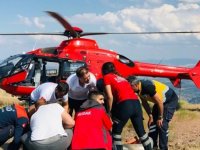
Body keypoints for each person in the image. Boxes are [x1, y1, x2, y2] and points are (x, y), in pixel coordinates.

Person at [102, 62, 153, 150]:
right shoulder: (122, 78)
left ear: (104, 71)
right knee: (141, 133)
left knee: (116, 132)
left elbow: (110, 97)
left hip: (125, 104)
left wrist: (109, 112)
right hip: (136, 103)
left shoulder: (107, 77)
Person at [127, 76, 178, 150]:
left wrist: (160, 117)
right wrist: (150, 116)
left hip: (169, 101)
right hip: (159, 102)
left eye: (130, 87)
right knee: (152, 124)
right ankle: (153, 146)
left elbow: (160, 102)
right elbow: (144, 102)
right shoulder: (138, 89)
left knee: (162, 124)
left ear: (135, 85)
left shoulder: (147, 87)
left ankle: (163, 148)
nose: (129, 89)